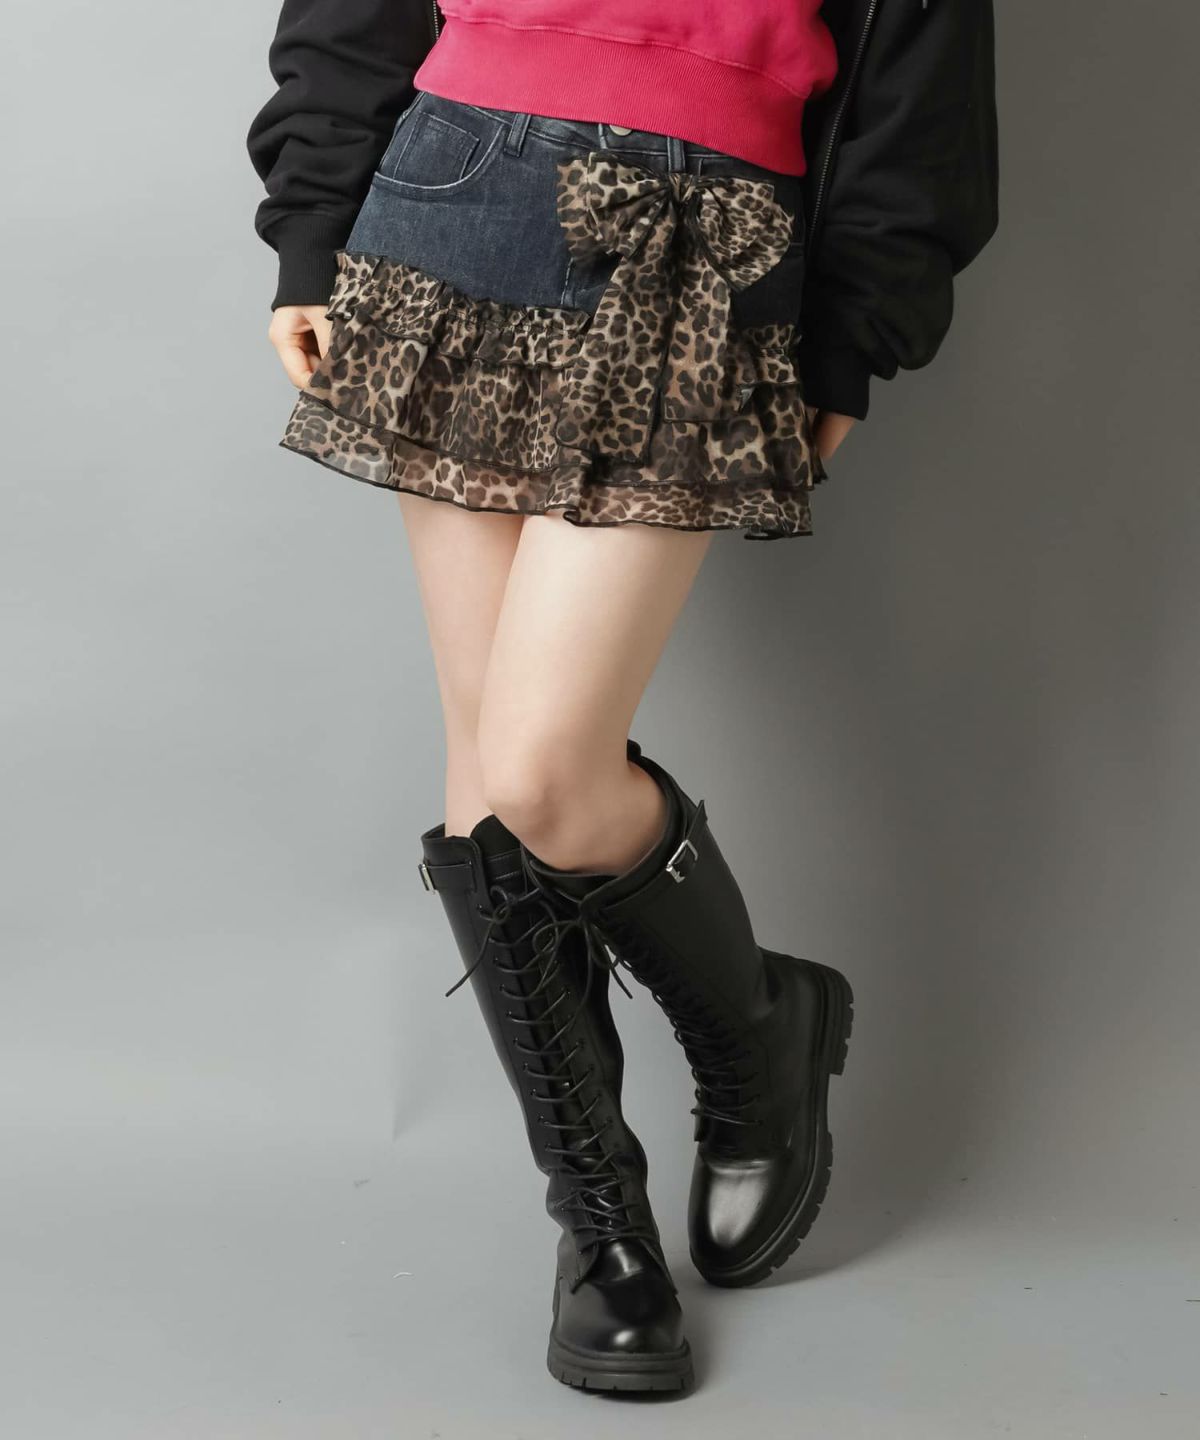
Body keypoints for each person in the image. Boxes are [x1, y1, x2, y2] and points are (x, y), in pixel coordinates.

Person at [247, 0, 998, 1396]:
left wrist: (855, 326)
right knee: (484, 766)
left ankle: (757, 1027)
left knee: (542, 767)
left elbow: (924, 68)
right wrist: (314, 224)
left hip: (708, 231)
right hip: (451, 190)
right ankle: (599, 1222)